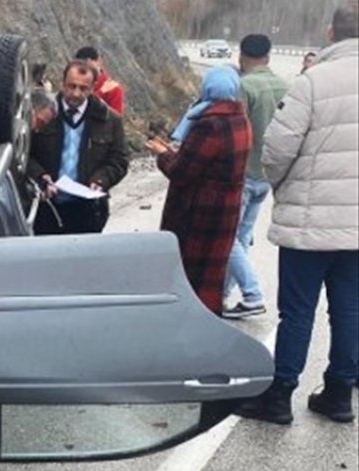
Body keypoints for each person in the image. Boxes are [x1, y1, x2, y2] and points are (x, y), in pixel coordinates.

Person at [237, 2, 359, 424]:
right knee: (350, 309)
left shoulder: (312, 82)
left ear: (330, 34)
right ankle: (340, 392)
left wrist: (281, 185)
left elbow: (276, 148)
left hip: (309, 223)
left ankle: (279, 395)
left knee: (298, 311)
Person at [146, 66, 251, 314]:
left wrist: (163, 155)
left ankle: (190, 335)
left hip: (200, 215)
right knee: (211, 278)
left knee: (191, 281)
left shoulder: (209, 125)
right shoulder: (240, 120)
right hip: (225, 212)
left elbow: (182, 172)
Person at [222, 34, 289, 319]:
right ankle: (224, 294)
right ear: (269, 56)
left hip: (243, 173)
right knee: (243, 235)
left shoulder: (244, 86)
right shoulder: (285, 86)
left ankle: (252, 293)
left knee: (228, 237)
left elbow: (236, 131)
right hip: (268, 175)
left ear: (241, 55)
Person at [27, 60, 129, 235]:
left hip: (88, 212)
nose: (75, 93)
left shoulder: (110, 120)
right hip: (46, 208)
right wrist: (40, 176)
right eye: (71, 86)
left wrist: (101, 180)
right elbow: (23, 153)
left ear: (92, 88)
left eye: (83, 88)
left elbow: (119, 159)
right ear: (62, 83)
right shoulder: (40, 114)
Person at [74, 45, 125, 115]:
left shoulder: (114, 89)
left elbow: (116, 119)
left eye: (89, 64)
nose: (87, 69)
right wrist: (101, 92)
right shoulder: (75, 83)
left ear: (99, 61)